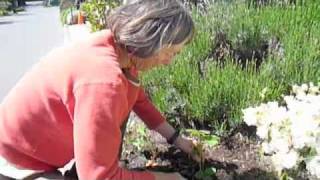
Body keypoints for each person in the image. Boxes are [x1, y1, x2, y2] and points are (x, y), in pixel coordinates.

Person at [0, 0, 196, 179]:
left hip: (29, 152)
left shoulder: (116, 49)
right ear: (151, 39)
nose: (169, 62)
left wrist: (177, 139)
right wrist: (164, 178)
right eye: (170, 52)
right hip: (16, 163)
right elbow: (98, 177)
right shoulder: (103, 81)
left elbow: (138, 99)